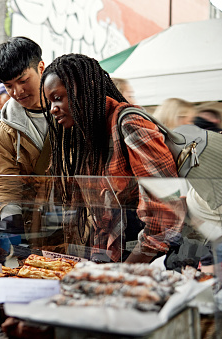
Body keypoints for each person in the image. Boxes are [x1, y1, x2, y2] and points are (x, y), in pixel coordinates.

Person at [40, 53, 186, 264]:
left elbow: (167, 209)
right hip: (115, 256)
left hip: (148, 262)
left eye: (57, 98)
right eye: (49, 101)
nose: (52, 109)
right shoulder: (89, 133)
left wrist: (129, 269)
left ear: (85, 88)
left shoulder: (130, 124)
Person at [0, 36, 49, 235]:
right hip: (36, 227)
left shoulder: (74, 112)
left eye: (23, 81)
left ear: (41, 67)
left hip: (83, 224)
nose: (17, 91)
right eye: (9, 86)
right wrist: (11, 216)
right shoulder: (4, 131)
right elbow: (5, 178)